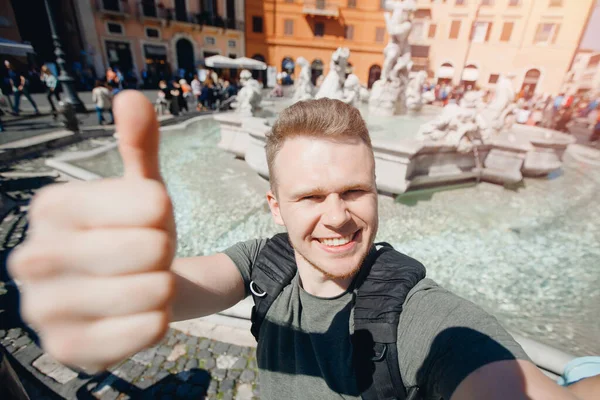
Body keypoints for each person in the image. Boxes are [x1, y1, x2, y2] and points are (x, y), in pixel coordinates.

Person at [8, 94, 596, 400]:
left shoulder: (419, 313)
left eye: (354, 191)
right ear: (275, 206)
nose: (337, 217)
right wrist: (123, 283)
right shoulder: (266, 262)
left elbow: (488, 370)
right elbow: (175, 290)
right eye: (310, 196)